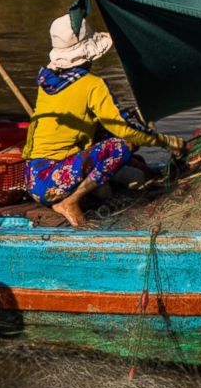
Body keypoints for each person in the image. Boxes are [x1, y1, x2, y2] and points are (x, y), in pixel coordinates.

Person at [23, 14, 188, 228]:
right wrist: (165, 141)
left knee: (107, 137)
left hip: (35, 179)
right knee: (121, 145)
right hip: (54, 182)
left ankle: (102, 187)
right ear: (87, 55)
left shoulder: (47, 80)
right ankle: (70, 202)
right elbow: (124, 129)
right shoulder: (92, 85)